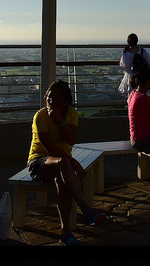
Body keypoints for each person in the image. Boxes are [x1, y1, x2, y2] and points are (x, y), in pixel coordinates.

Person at [26, 80, 107, 245]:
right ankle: (86, 209)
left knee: (62, 182)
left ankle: (65, 232)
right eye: (49, 98)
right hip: (39, 162)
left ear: (65, 102)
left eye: (56, 99)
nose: (51, 102)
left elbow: (71, 140)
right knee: (63, 164)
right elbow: (50, 149)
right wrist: (75, 164)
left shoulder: (71, 114)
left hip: (62, 163)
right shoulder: (40, 117)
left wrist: (60, 122)